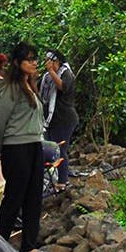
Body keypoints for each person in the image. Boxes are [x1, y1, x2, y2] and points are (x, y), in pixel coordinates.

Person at [0, 43, 46, 252]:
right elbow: (0, 121)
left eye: (35, 58)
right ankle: (0, 242)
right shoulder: (11, 88)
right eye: (29, 59)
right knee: (15, 195)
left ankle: (29, 244)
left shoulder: (31, 84)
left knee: (34, 195)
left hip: (34, 144)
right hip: (16, 146)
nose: (34, 63)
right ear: (17, 62)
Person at [40, 50, 78, 191]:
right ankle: (54, 177)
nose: (47, 64)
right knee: (51, 149)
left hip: (64, 119)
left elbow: (63, 87)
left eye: (50, 61)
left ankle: (63, 181)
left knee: (60, 149)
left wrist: (51, 71)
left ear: (56, 62)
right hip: (51, 120)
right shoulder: (47, 77)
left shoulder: (67, 74)